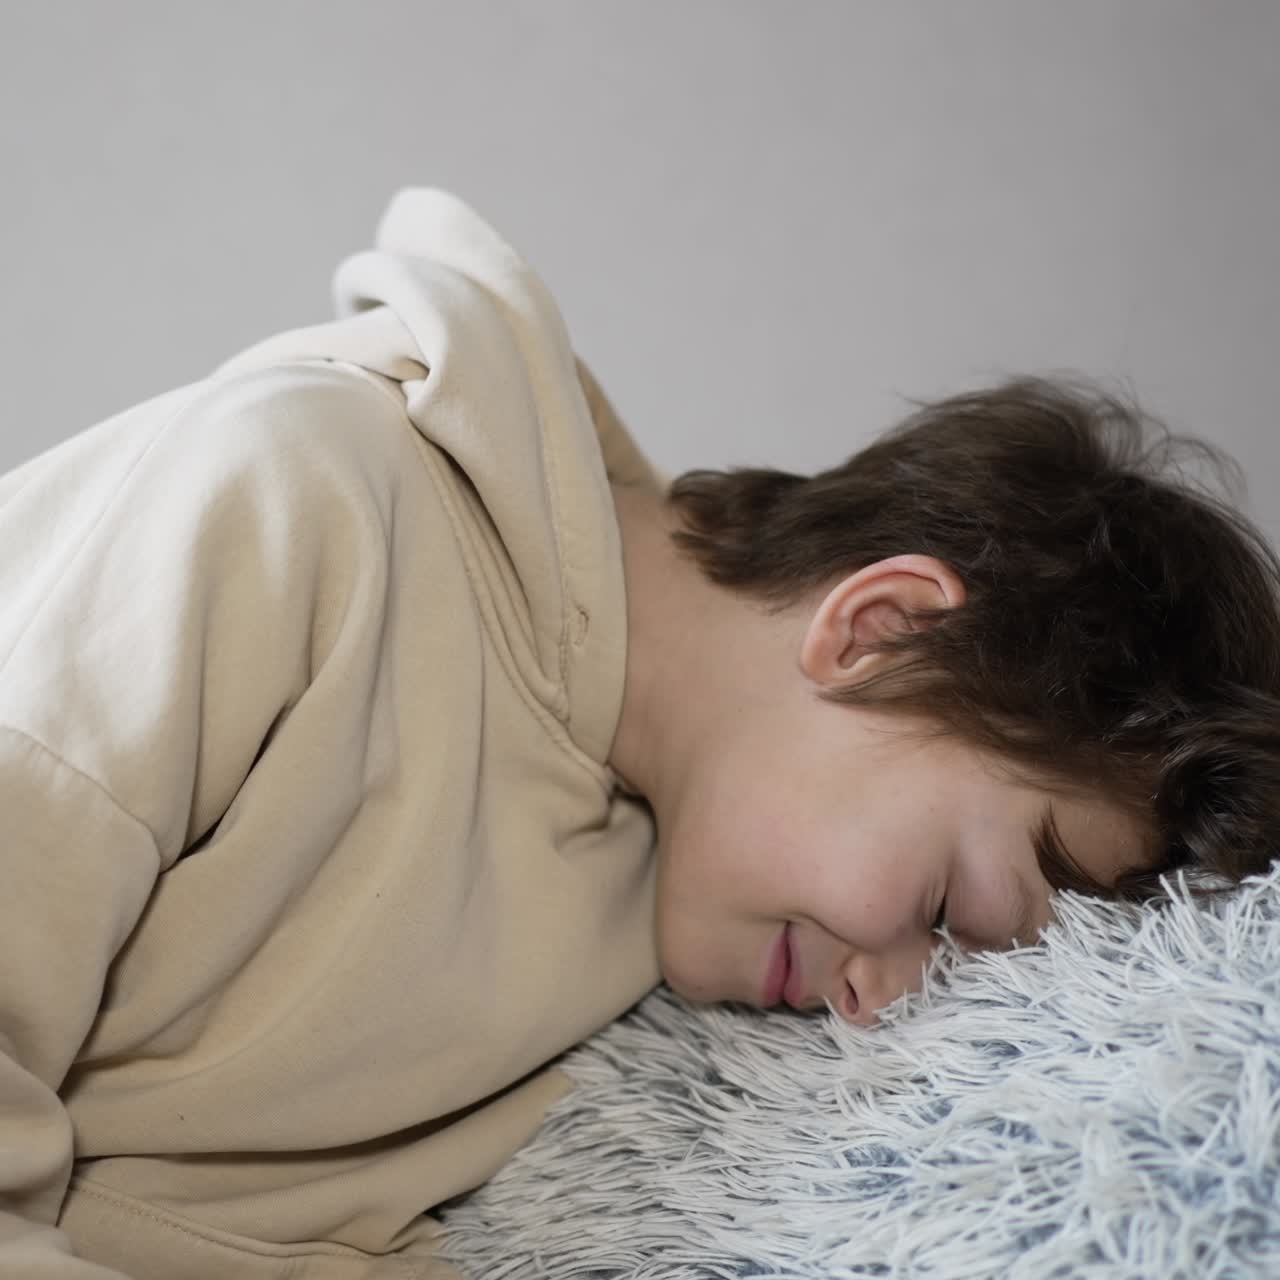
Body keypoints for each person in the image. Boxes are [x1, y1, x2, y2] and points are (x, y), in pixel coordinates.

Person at [2, 187, 1277, 1280]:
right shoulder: (299, 502)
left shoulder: (660, 884)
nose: (880, 1003)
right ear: (879, 629)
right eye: (942, 909)